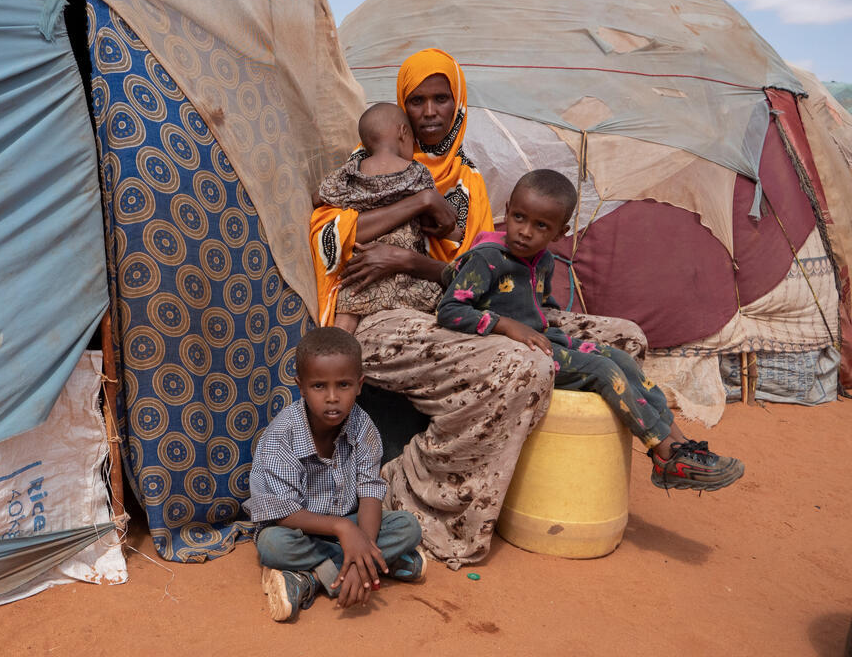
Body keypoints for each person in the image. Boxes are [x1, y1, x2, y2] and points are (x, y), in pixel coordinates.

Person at [309, 48, 648, 568]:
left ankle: (539, 487)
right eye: (416, 100)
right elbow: (331, 236)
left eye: (441, 98)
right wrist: (418, 204)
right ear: (400, 110)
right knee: (522, 362)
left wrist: (409, 258)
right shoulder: (361, 171)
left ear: (458, 103)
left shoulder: (467, 182)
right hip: (383, 318)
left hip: (467, 307)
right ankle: (413, 494)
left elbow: (478, 271)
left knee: (624, 337)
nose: (429, 112)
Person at [437, 169, 745, 490]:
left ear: (560, 232)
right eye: (518, 217)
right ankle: (662, 449)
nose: (525, 232)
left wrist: (549, 323)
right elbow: (449, 310)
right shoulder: (487, 259)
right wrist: (505, 324)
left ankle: (679, 445)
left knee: (620, 358)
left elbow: (539, 305)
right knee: (601, 369)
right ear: (509, 208)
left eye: (540, 226)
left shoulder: (542, 260)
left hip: (540, 342)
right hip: (507, 350)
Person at [245, 327, 427, 622]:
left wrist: (359, 551)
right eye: (319, 387)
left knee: (408, 527)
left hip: (352, 528)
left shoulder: (363, 426)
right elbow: (283, 512)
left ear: (359, 385)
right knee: (271, 545)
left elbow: (369, 492)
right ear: (301, 387)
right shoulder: (282, 436)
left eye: (343, 385)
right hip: (299, 529)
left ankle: (314, 579)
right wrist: (344, 530)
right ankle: (380, 564)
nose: (332, 397)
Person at [316, 103, 445, 333]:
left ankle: (334, 359)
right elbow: (431, 220)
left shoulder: (350, 172)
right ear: (403, 132)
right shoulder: (417, 172)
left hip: (361, 266)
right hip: (404, 275)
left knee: (345, 318)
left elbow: (321, 196)